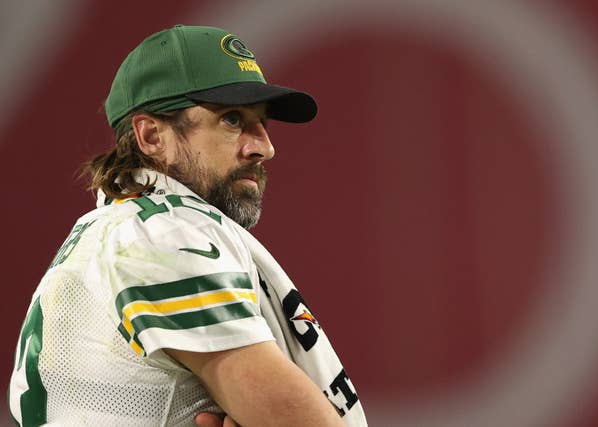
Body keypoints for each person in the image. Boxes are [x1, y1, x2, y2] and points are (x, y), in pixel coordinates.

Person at [7, 25, 367, 427]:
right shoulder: (166, 234)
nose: (264, 147)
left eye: (262, 123)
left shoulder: (113, 230)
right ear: (151, 136)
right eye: (233, 119)